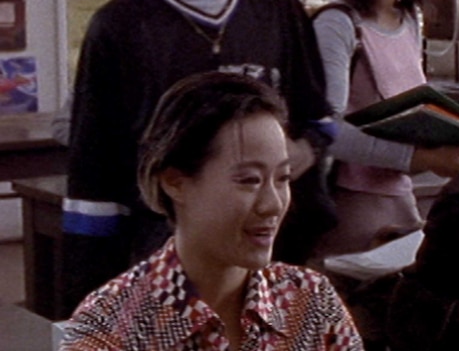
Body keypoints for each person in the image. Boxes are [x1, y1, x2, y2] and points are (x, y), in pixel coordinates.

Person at [61, 0, 336, 316]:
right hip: (165, 272)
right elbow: (93, 186)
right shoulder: (119, 28)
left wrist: (299, 154)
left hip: (271, 261)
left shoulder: (273, 1)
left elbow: (319, 120)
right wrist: (86, 308)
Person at [60, 71, 363, 351]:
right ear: (175, 182)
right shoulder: (110, 330)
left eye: (283, 178)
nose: (273, 204)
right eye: (249, 181)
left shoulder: (311, 301)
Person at [312, 0, 459, 256]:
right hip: (350, 202)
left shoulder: (408, 21)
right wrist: (422, 159)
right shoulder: (338, 25)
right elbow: (327, 130)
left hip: (400, 194)